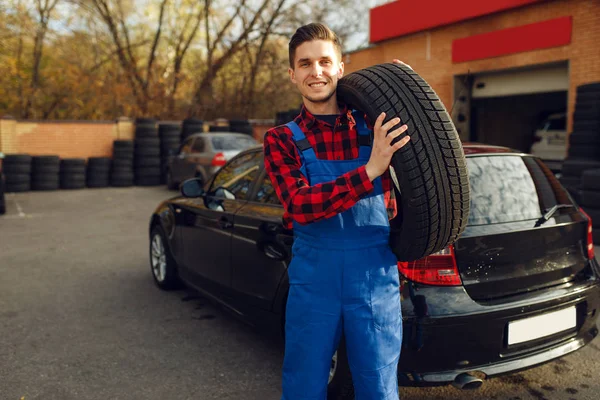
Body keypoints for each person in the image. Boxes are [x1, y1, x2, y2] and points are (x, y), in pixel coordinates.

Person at [263, 22, 411, 400]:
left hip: (375, 278)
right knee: (304, 385)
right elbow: (300, 204)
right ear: (292, 74)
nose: (317, 72)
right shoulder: (282, 140)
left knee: (378, 386)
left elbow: (434, 163)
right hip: (314, 282)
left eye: (325, 62)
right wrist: (369, 172)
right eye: (306, 63)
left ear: (340, 68)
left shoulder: (376, 127)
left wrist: (408, 91)